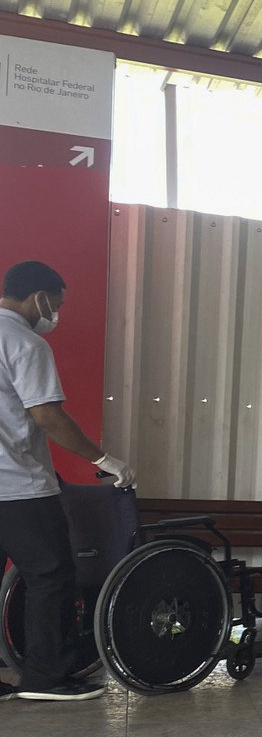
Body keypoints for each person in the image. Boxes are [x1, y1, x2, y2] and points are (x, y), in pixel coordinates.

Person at [0, 260, 134, 701]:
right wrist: (104, 458)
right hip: (18, 487)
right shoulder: (25, 342)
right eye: (54, 304)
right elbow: (47, 416)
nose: (54, 313)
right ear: (38, 297)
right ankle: (46, 678)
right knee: (50, 576)